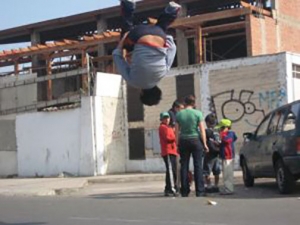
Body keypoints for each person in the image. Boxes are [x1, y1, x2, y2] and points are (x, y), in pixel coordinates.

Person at [112, 0, 181, 106]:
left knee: (162, 26)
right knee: (126, 42)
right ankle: (128, 6)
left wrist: (166, 36)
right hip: (138, 35)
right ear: (142, 93)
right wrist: (123, 40)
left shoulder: (163, 73)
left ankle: (171, 10)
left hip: (159, 35)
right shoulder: (133, 81)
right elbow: (117, 56)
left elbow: (173, 48)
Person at [175, 95, 209, 197]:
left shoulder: (179, 114)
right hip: (195, 140)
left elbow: (177, 131)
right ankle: (200, 190)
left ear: (185, 103)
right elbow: (202, 131)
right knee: (198, 165)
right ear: (193, 103)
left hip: (183, 141)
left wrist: (177, 144)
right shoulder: (198, 113)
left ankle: (184, 190)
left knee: (184, 165)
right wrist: (205, 144)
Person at [159, 112, 179, 196]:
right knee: (171, 170)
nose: (167, 119)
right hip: (168, 151)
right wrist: (176, 135)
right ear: (162, 119)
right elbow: (168, 138)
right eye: (165, 118)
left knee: (172, 170)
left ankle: (168, 188)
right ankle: (171, 188)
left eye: (168, 118)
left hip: (173, 151)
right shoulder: (163, 127)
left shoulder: (169, 127)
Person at [216, 119, 237, 195]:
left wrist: (222, 135)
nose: (220, 130)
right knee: (225, 173)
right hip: (224, 155)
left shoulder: (229, 134)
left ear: (226, 127)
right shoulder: (225, 134)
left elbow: (228, 140)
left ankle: (229, 189)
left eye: (221, 128)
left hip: (228, 155)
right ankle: (227, 187)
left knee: (228, 174)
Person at [203, 114, 221, 193]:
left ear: (207, 122)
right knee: (216, 170)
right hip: (217, 153)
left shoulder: (206, 131)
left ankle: (209, 185)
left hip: (209, 153)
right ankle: (216, 185)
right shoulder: (218, 131)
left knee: (207, 171)